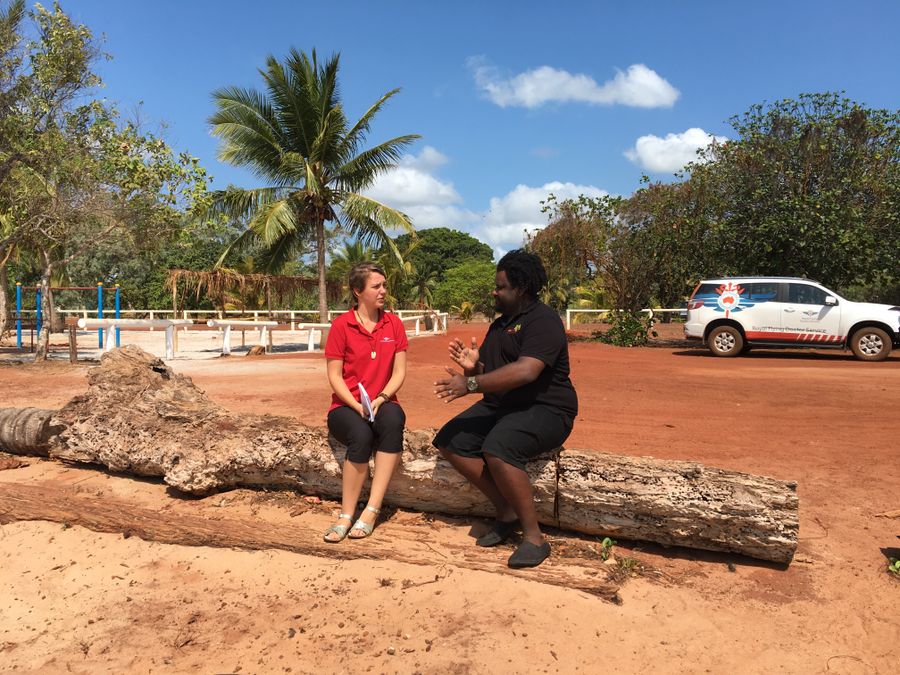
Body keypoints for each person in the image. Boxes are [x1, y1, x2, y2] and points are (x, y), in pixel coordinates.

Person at [432, 250, 577, 568]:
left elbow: (527, 371)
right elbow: (486, 373)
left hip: (548, 409)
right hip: (505, 406)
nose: (494, 292)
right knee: (449, 440)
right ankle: (506, 509)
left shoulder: (543, 321)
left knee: (499, 446)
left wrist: (470, 385)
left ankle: (534, 539)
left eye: (501, 287)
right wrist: (471, 369)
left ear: (521, 288)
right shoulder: (500, 326)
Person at [323, 263, 408, 542]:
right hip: (346, 406)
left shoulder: (393, 324)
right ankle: (346, 514)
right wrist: (357, 406)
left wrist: (382, 398)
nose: (383, 291)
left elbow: (399, 373)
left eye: (384, 285)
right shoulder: (341, 325)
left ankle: (372, 509)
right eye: (376, 286)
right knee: (360, 434)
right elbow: (334, 376)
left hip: (384, 402)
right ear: (358, 291)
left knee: (393, 422)